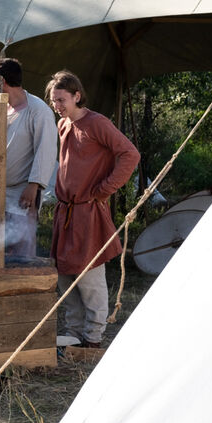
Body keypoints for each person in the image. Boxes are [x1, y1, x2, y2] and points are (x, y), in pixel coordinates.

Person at [45, 70, 139, 348]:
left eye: (61, 100)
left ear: (77, 96)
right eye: (53, 101)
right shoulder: (63, 125)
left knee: (89, 275)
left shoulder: (98, 123)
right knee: (66, 275)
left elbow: (130, 154)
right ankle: (74, 333)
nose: (57, 106)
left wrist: (106, 188)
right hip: (66, 212)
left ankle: (94, 336)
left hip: (88, 211)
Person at [0, 57, 57, 260]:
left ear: (1, 82)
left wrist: (33, 186)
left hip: (20, 195)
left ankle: (19, 289)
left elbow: (46, 151)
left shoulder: (38, 111)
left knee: (18, 252)